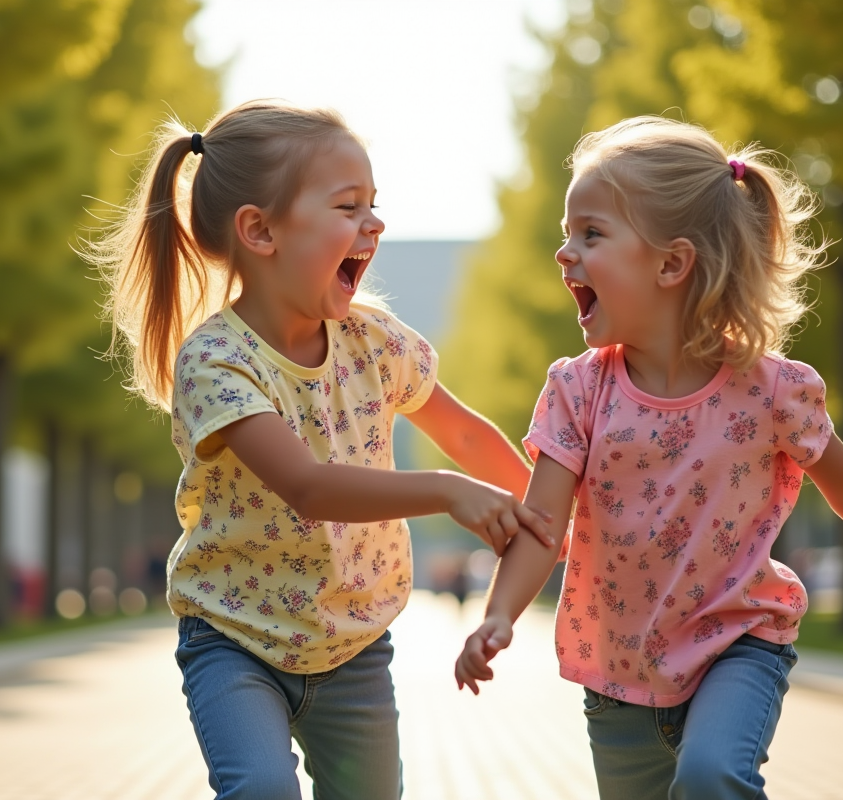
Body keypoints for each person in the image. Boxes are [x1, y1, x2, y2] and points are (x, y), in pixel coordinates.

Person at [453, 116, 843, 800]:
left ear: (671, 264)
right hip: (620, 671)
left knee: (711, 778)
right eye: (565, 233)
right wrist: (498, 614)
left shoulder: (773, 392)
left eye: (591, 233)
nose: (564, 253)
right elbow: (543, 524)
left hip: (739, 645)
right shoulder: (576, 391)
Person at [92, 99, 553, 800]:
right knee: (261, 788)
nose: (374, 224)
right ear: (260, 230)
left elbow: (463, 433)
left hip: (353, 644)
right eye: (347, 206)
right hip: (234, 638)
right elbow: (307, 485)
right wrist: (448, 491)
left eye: (374, 204)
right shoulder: (217, 362)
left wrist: (550, 521)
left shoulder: (377, 343)